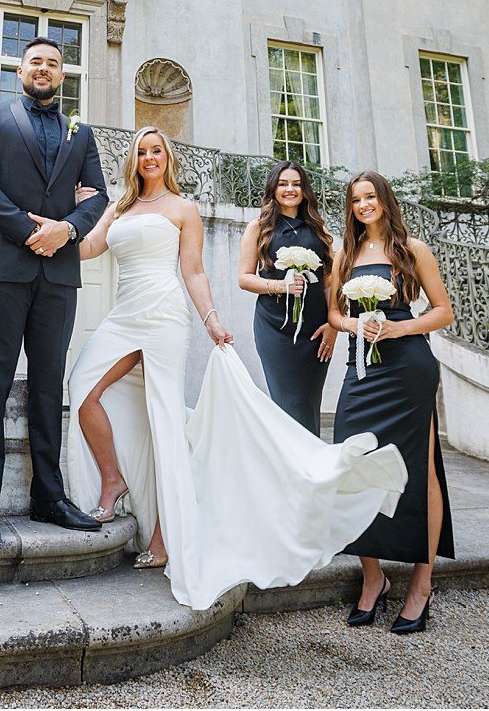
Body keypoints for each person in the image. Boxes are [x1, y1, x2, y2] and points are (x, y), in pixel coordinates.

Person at [65, 128, 407, 610]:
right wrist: (75, 210)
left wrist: (212, 320)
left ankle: (165, 536)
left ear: (168, 158)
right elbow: (86, 249)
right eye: (142, 151)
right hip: (123, 316)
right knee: (83, 388)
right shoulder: (118, 208)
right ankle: (113, 479)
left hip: (164, 316)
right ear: (133, 160)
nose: (149, 158)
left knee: (164, 420)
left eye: (157, 150)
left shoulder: (182, 209)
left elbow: (194, 271)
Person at [0, 36, 111, 543]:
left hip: (59, 274)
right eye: (35, 62)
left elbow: (99, 197)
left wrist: (66, 230)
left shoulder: (80, 133)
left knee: (49, 386)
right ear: (19, 70)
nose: (43, 68)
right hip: (2, 269)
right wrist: (31, 230)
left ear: (63, 75)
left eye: (53, 63)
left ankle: (49, 496)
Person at [328, 171, 455, 634]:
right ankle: (373, 577)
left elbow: (443, 310)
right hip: (362, 368)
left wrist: (399, 327)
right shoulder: (344, 254)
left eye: (370, 197)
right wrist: (353, 326)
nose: (363, 205)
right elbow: (333, 314)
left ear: (385, 201)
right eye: (356, 200)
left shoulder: (413, 250)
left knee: (419, 472)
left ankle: (422, 584)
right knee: (353, 467)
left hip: (407, 368)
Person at [237, 163, 337, 434]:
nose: (290, 189)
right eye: (283, 184)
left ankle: (311, 465)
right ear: (273, 188)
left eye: (296, 184)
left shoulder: (318, 229)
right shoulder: (258, 228)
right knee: (288, 402)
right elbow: (245, 278)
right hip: (275, 328)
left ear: (304, 190)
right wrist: (281, 286)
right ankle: (291, 469)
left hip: (315, 330)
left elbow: (328, 282)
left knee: (308, 401)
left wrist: (333, 325)